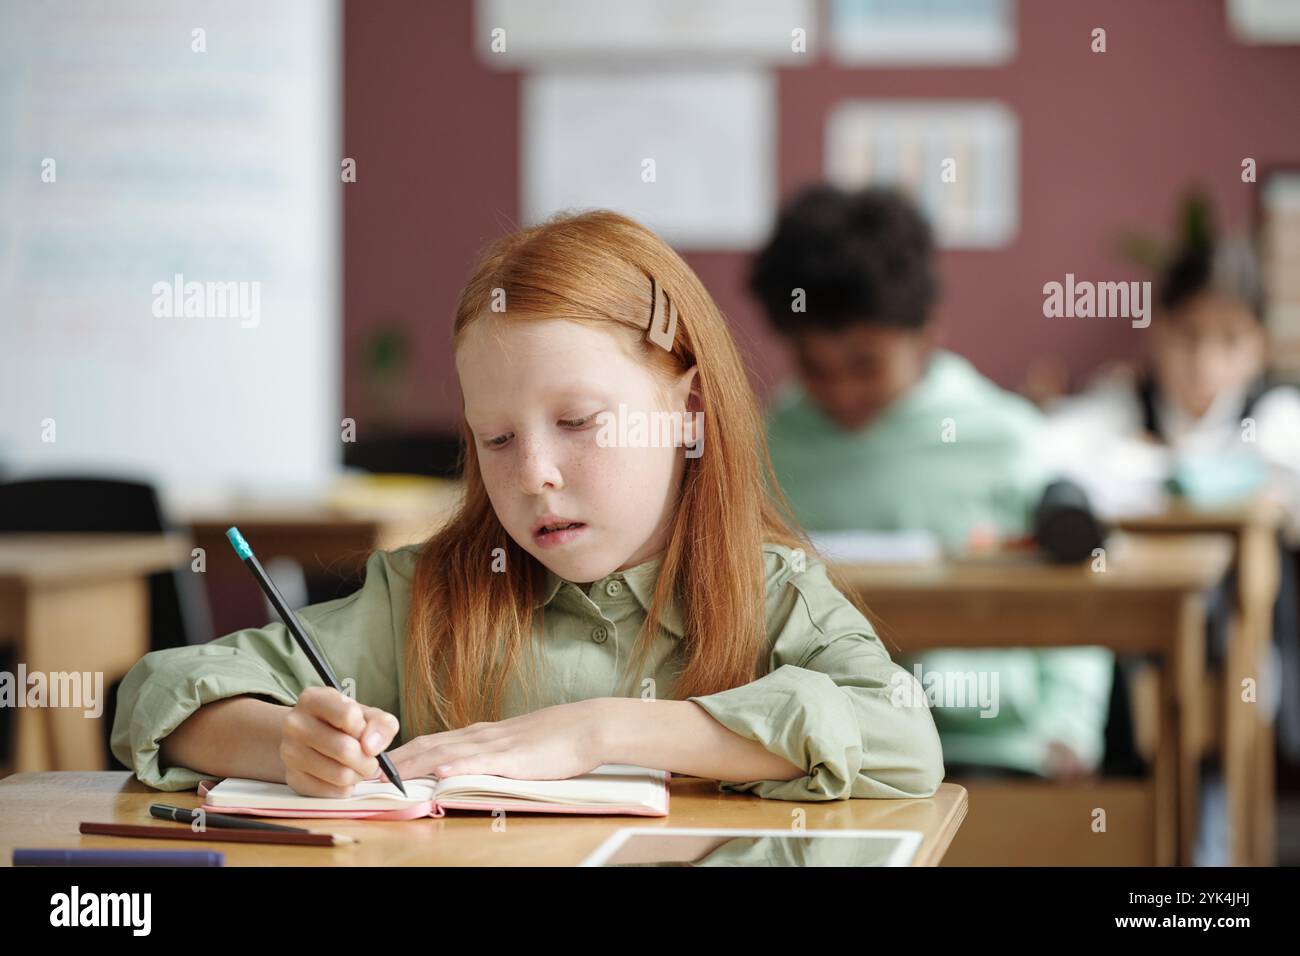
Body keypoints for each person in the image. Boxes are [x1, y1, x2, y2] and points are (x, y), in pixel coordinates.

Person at [111, 209, 944, 802]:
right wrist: (287, 744)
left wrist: (599, 731)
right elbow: (165, 692)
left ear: (687, 410)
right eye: (496, 441)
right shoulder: (429, 596)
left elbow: (902, 735)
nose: (534, 474)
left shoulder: (777, 596)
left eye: (577, 423)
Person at [749, 184, 1113, 780]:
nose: (841, 391)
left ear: (927, 331)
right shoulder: (764, 446)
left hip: (989, 747)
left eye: (866, 365)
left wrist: (1068, 729)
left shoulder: (1004, 438)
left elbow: (1081, 598)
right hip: (811, 749)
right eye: (815, 369)